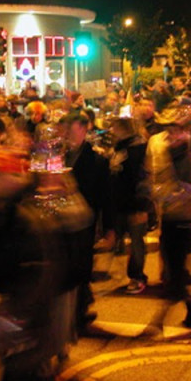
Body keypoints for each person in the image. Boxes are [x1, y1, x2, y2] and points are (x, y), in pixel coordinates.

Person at [147, 103, 191, 328]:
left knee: (176, 270)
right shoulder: (169, 152)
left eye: (174, 131)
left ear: (184, 132)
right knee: (172, 268)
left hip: (183, 221)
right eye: (168, 131)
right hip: (169, 218)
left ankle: (163, 318)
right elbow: (158, 179)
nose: (170, 136)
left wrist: (174, 193)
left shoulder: (190, 155)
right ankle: (189, 309)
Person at [62, 112, 114, 330]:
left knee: (82, 266)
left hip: (84, 222)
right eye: (65, 131)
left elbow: (107, 198)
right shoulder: (57, 157)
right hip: (61, 220)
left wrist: (110, 229)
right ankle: (75, 308)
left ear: (84, 130)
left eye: (72, 131)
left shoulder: (97, 160)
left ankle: (79, 311)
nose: (68, 136)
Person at [108, 116, 152, 294]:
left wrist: (141, 205)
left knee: (136, 242)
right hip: (120, 203)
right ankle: (123, 273)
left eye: (115, 128)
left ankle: (138, 276)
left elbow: (141, 179)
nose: (112, 132)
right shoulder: (119, 149)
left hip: (134, 203)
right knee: (118, 239)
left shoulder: (138, 149)